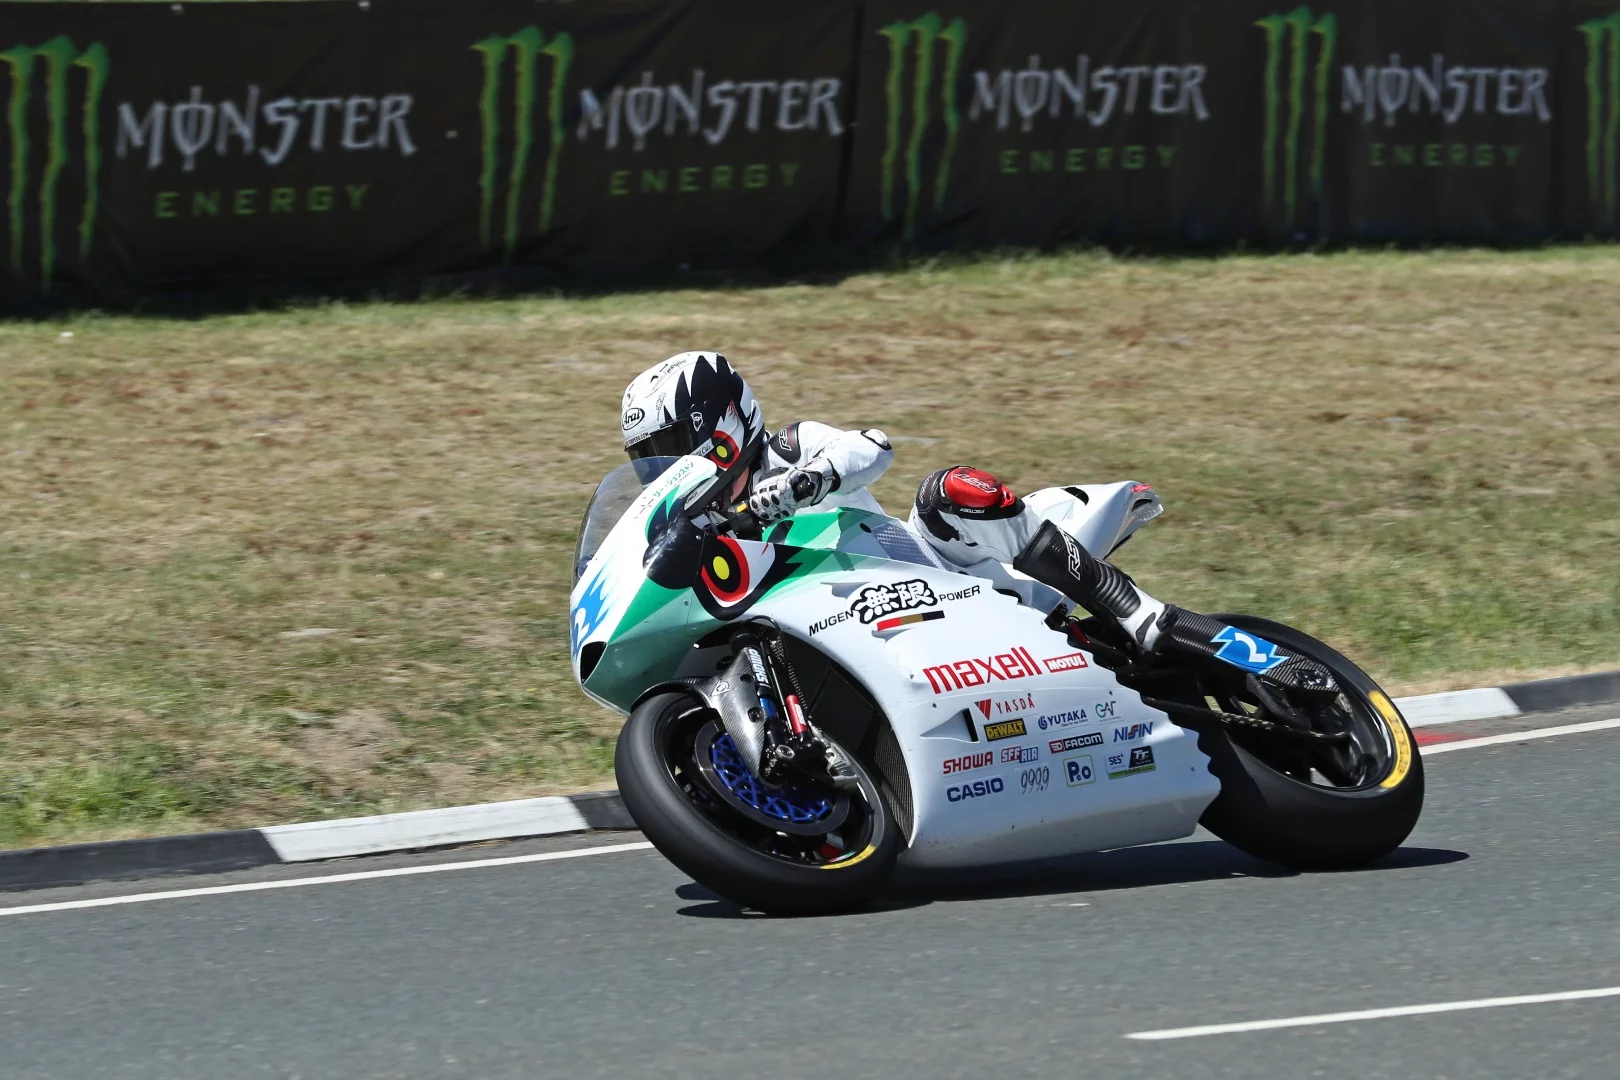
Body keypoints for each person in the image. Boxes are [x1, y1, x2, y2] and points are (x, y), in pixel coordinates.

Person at [620, 352, 1336, 692]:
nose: (665, 468)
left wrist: (802, 484)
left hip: (940, 582)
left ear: (720, 420)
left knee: (947, 493)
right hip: (876, 647)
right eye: (648, 459)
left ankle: (1138, 614)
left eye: (670, 446)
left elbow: (872, 448)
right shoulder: (702, 532)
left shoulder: (786, 450)